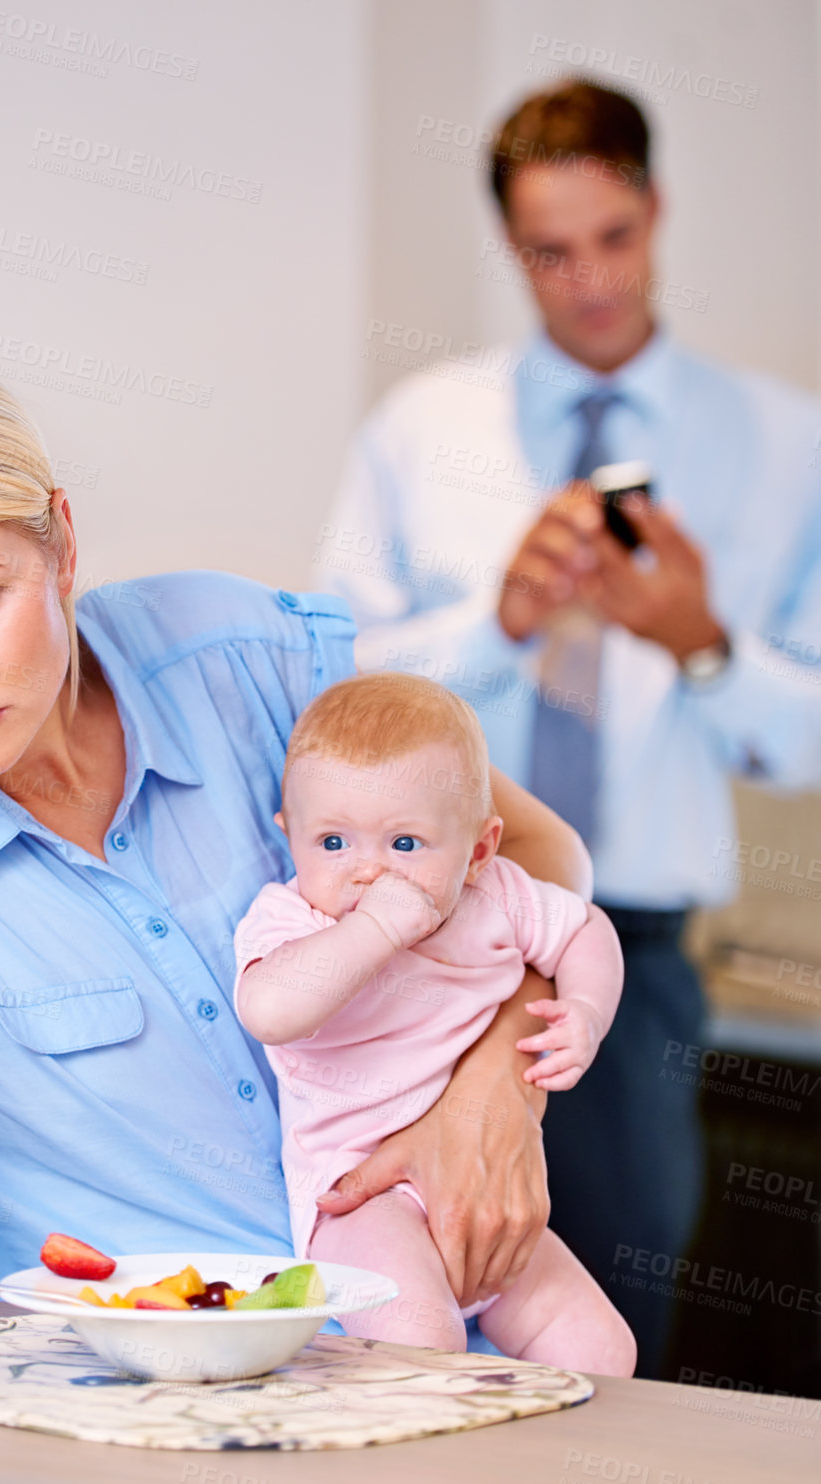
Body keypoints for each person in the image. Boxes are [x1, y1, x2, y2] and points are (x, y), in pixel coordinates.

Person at [0, 348, 592, 1314]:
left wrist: (495, 1088)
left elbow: (534, 855)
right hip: (122, 1416)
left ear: (61, 545)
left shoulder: (244, 658)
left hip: (439, 1340)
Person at [315, 79, 821, 1375]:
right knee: (400, 1302)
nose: (588, 281)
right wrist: (496, 626)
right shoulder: (418, 434)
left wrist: (698, 642)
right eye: (549, 250)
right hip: (403, 941)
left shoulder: (780, 445)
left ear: (654, 211)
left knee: (606, 1328)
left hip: (627, 955)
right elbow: (323, 689)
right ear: (509, 243)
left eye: (612, 238)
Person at [233, 671, 634, 1374]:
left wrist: (587, 1011)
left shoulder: (497, 895)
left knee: (602, 1348)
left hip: (483, 1192)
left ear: (479, 850)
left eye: (406, 844)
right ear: (288, 834)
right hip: (360, 1199)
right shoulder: (294, 918)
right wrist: (378, 930)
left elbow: (585, 931)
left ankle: (550, 1477)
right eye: (332, 842)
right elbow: (269, 1011)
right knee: (424, 1347)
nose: (367, 872)